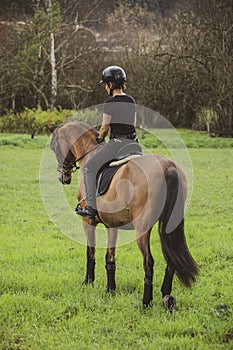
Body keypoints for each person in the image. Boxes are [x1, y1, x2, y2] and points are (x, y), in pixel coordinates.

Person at [76, 65, 141, 219]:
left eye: (105, 85)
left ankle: (91, 208)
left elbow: (105, 127)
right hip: (133, 144)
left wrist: (100, 138)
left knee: (90, 168)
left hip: (116, 145)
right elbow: (133, 124)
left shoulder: (109, 103)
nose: (105, 88)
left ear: (110, 85)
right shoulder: (131, 100)